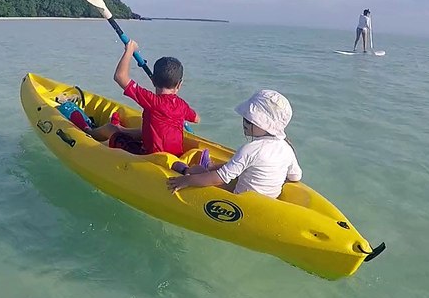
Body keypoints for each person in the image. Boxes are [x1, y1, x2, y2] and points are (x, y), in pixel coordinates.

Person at [166, 89, 301, 199]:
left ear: (266, 126)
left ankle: (185, 171)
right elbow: (295, 176)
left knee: (201, 172)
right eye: (245, 119)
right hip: (268, 200)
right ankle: (210, 166)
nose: (244, 123)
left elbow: (218, 179)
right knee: (236, 170)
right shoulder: (287, 149)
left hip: (240, 200)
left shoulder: (250, 149)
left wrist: (187, 181)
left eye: (250, 121)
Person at [87, 39, 198, 156]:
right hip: (175, 156)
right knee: (147, 130)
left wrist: (129, 49)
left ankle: (88, 132)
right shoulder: (182, 105)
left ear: (153, 80)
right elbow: (196, 118)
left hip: (149, 156)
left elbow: (120, 77)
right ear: (179, 84)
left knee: (110, 129)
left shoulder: (152, 101)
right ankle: (122, 130)